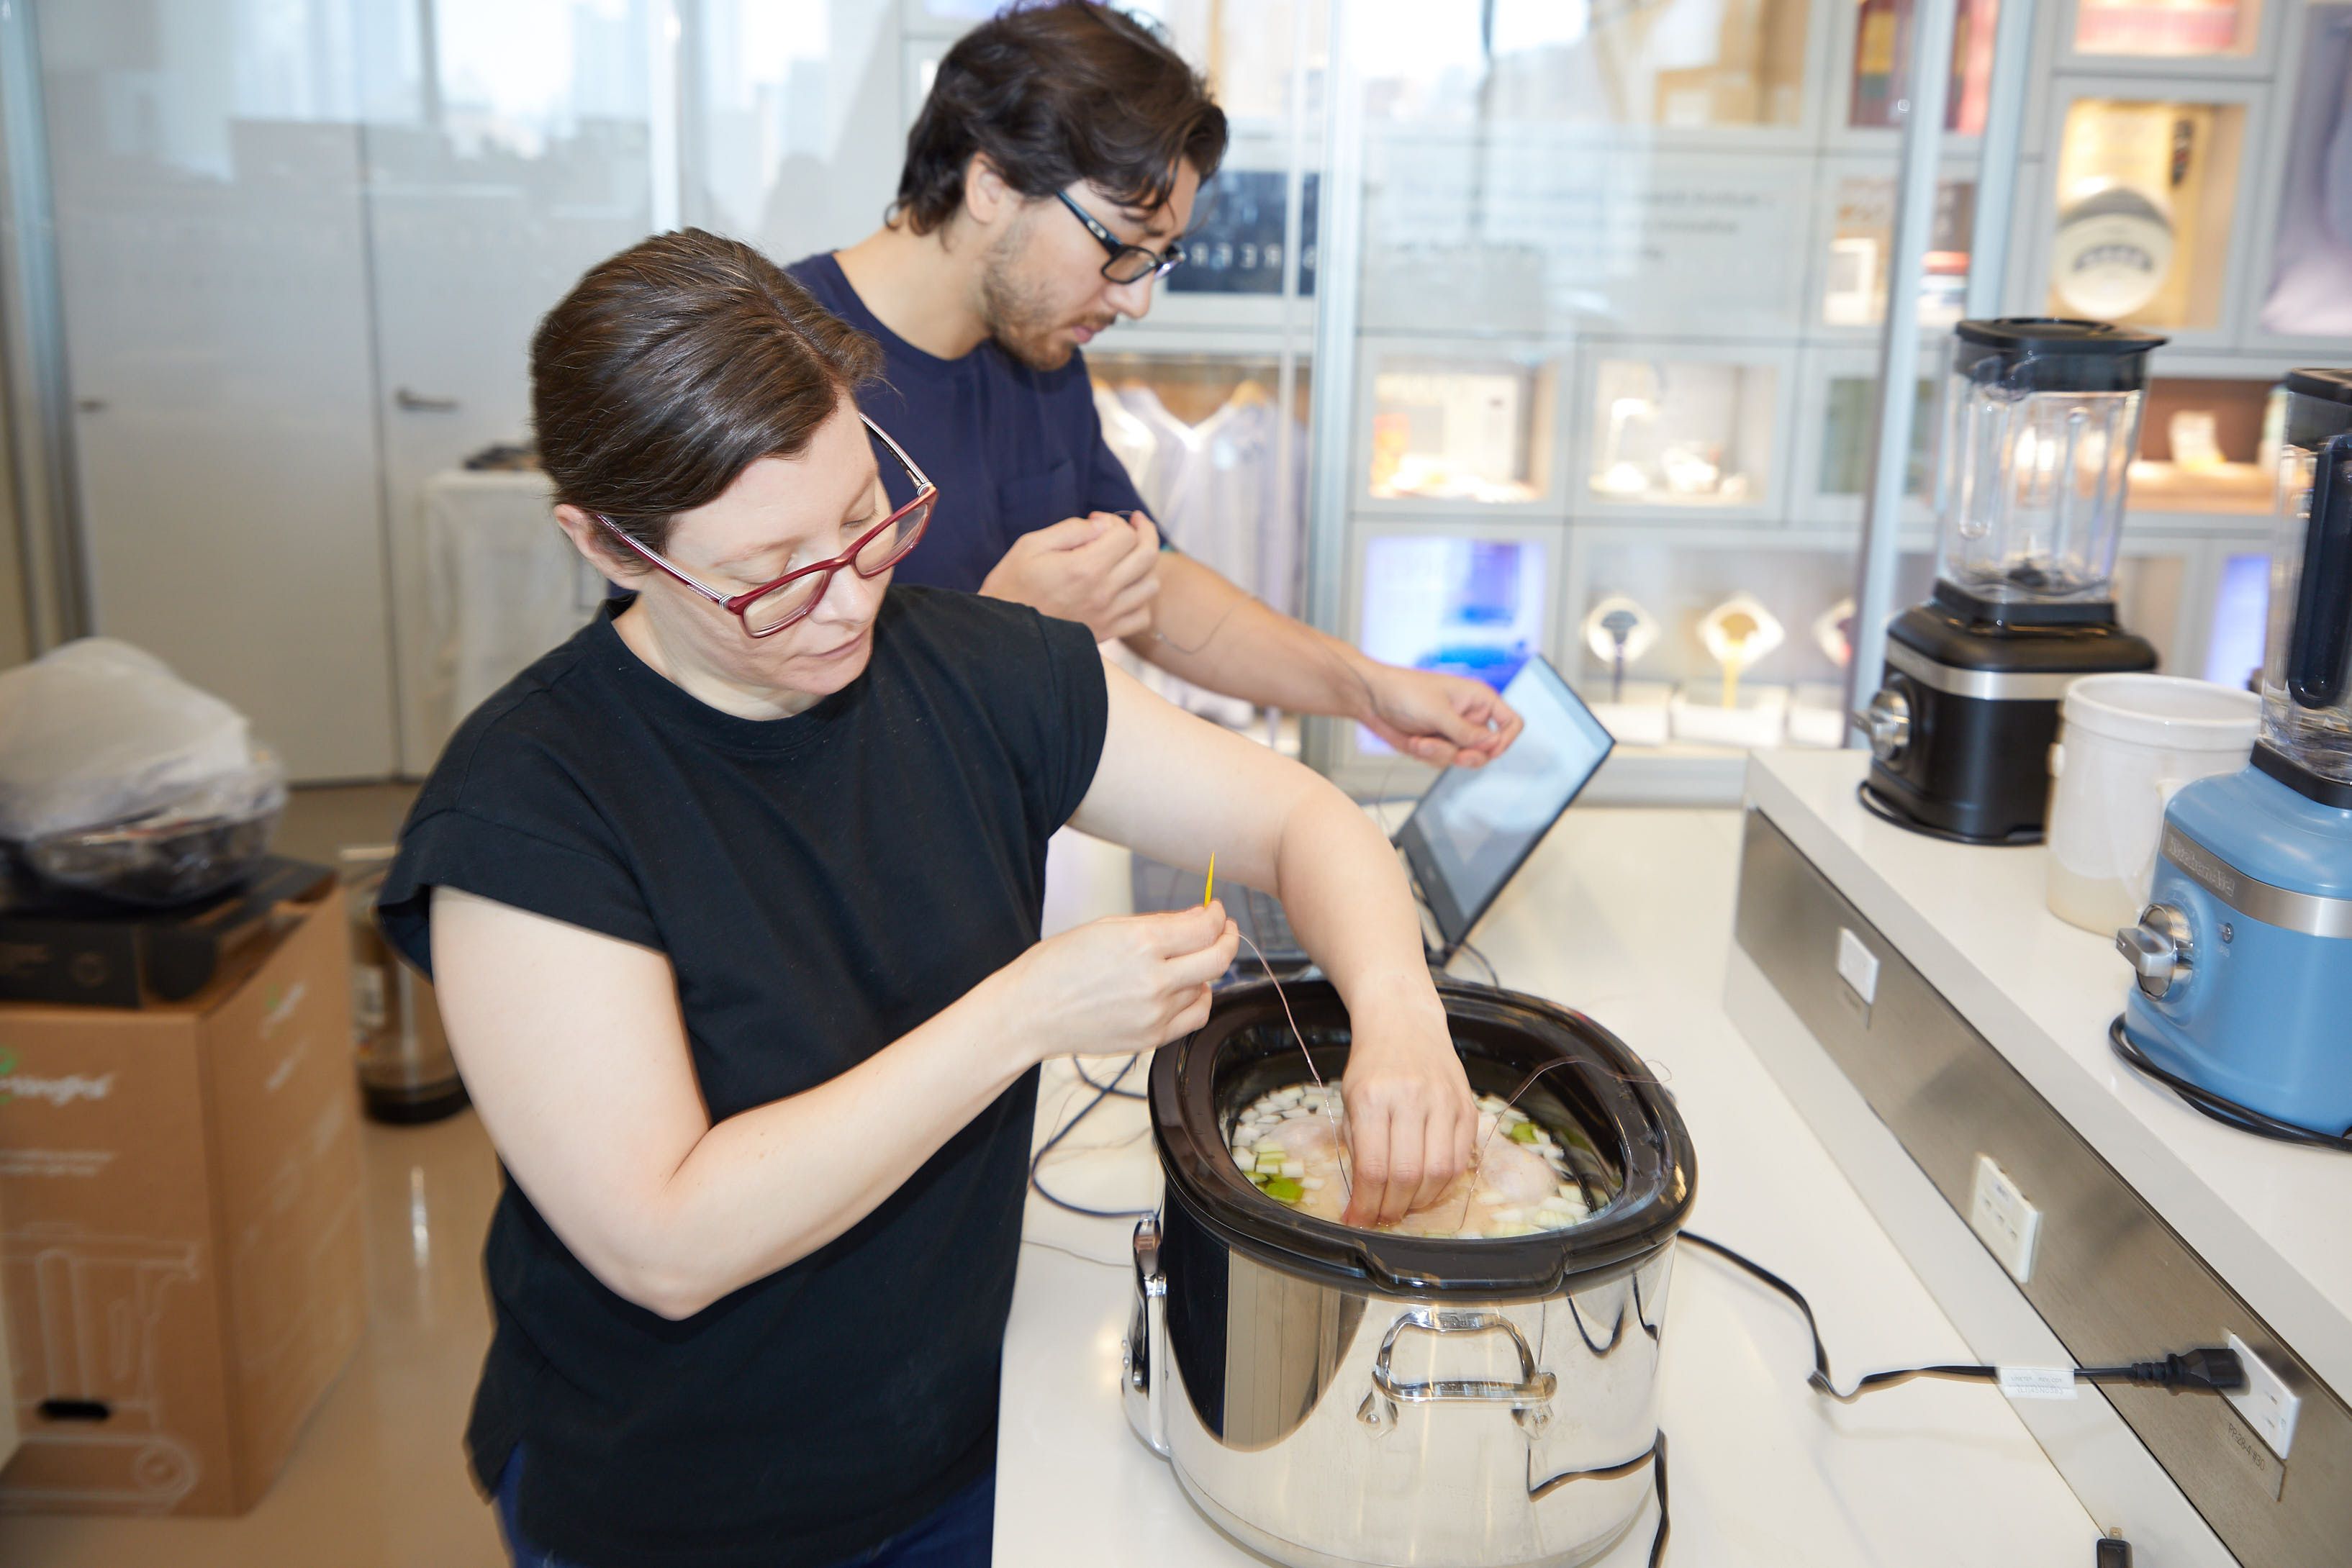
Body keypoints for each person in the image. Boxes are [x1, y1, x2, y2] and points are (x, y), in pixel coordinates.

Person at [376, 230, 1479, 1568]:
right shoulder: (531, 805)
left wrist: (1401, 1017)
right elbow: (664, 1236)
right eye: (768, 573)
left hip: (963, 1430)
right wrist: (1022, 1010)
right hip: (683, 1500)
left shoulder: (978, 670)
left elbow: (1299, 816)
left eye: (866, 517)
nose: (844, 597)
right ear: (609, 546)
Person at [793, 1, 1524, 771]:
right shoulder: (768, 367)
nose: (1135, 299)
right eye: (1123, 245)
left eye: (1159, 257)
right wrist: (995, 628)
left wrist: (1371, 690)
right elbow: (741, 742)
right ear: (992, 185)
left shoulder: (1036, 361)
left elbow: (1152, 586)